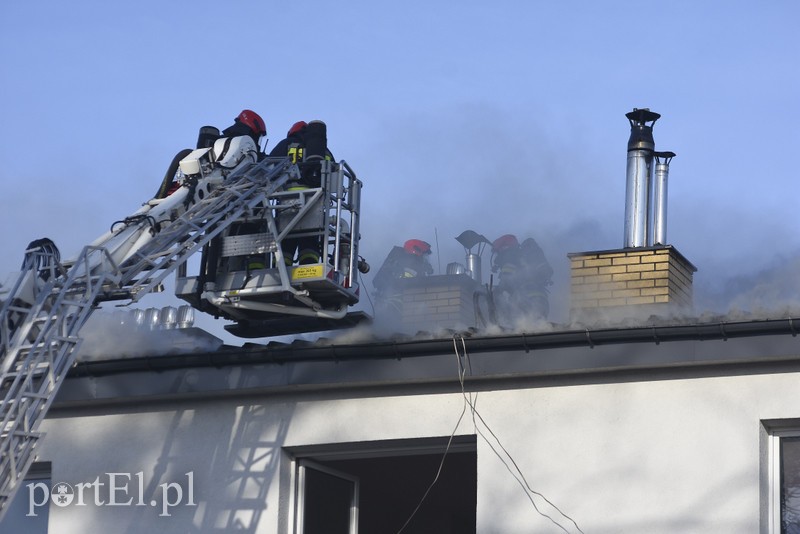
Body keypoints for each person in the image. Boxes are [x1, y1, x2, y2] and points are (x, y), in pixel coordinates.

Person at [269, 120, 334, 266]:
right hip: (314, 201)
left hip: (286, 202)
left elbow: (268, 167)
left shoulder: (285, 145)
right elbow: (333, 172)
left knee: (286, 240)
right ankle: (309, 267)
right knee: (310, 240)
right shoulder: (322, 150)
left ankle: (281, 268)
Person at [490, 234, 553, 323]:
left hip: (526, 303)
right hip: (541, 301)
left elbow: (506, 281)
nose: (497, 255)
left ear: (503, 249)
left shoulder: (509, 258)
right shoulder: (522, 258)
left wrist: (494, 292)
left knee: (520, 327)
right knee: (539, 327)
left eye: (498, 252)